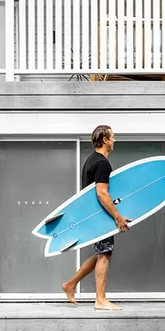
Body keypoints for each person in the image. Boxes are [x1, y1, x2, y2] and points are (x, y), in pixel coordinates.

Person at [61, 124, 129, 310]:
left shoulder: (91, 160)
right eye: (112, 137)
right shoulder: (102, 163)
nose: (114, 141)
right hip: (100, 216)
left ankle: (70, 284)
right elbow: (102, 193)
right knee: (105, 254)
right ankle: (100, 299)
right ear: (105, 140)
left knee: (102, 253)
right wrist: (117, 217)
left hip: (93, 215)